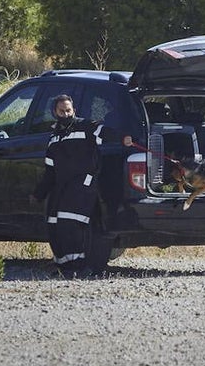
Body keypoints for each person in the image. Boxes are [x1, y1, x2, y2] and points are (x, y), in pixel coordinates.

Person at [31, 94, 132, 279]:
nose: (66, 114)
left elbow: (103, 131)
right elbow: (50, 172)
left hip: (82, 184)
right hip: (61, 187)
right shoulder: (54, 139)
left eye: (68, 110)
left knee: (71, 224)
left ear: (74, 110)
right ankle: (64, 267)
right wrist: (39, 194)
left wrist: (123, 138)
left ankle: (80, 267)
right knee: (54, 225)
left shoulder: (85, 126)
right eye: (62, 111)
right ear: (55, 112)